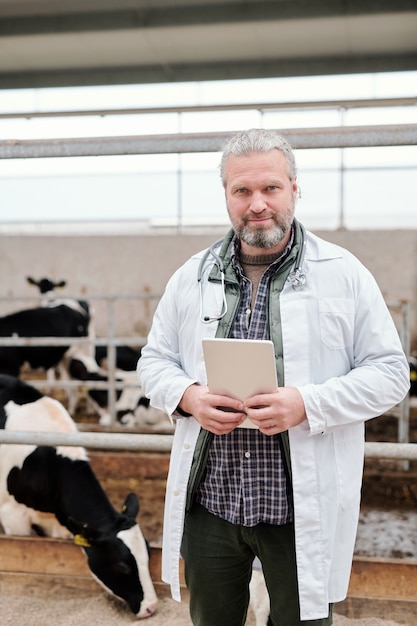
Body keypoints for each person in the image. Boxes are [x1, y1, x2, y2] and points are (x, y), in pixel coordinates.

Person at [137, 128, 410, 625]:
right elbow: (153, 360)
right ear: (226, 196)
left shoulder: (342, 273)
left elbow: (391, 373)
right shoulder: (191, 276)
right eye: (241, 190)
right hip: (213, 501)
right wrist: (190, 397)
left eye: (270, 188)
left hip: (298, 507)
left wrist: (308, 403)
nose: (257, 204)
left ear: (294, 188)